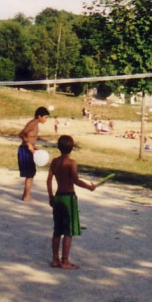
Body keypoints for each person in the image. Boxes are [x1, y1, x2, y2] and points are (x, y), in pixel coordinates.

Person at [47, 134, 97, 270]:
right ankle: (65, 261)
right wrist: (89, 187)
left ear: (58, 147)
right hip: (68, 198)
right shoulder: (71, 163)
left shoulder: (55, 162)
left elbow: (49, 179)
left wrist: (50, 196)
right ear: (72, 148)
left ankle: (55, 259)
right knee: (68, 231)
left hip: (57, 197)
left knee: (57, 230)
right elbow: (75, 180)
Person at [18, 106, 50, 202]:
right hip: (25, 150)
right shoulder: (32, 123)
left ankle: (26, 195)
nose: (46, 120)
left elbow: (30, 137)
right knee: (29, 174)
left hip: (30, 150)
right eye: (45, 117)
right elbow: (21, 134)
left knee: (31, 174)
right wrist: (28, 144)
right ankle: (26, 196)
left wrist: (33, 146)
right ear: (39, 116)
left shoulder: (36, 124)